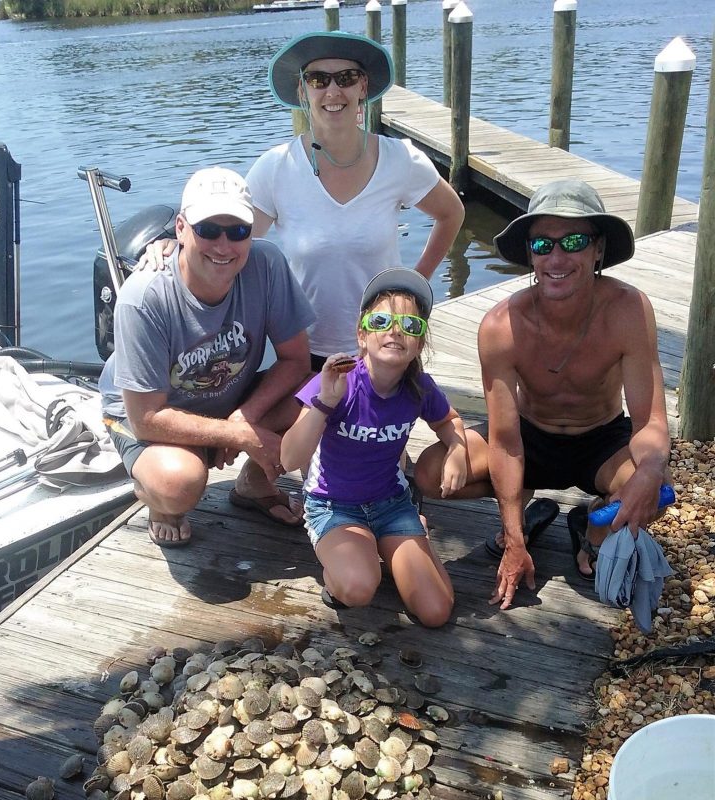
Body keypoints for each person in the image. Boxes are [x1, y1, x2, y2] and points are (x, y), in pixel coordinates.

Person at [413, 178, 671, 610]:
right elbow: (506, 439)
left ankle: (591, 528)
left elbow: (650, 423)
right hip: (531, 439)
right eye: (542, 244)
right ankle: (522, 518)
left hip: (602, 439)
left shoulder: (629, 309)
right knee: (430, 472)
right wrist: (513, 540)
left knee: (654, 489)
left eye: (573, 241)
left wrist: (651, 466)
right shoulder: (501, 327)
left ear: (598, 248)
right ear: (529, 253)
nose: (556, 257)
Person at [141, 32, 465, 371]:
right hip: (306, 352)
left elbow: (451, 213)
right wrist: (175, 244)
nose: (333, 91)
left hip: (386, 345)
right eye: (318, 79)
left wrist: (412, 287)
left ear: (363, 87)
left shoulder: (400, 159)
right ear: (302, 90)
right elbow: (231, 241)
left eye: (346, 78)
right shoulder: (275, 168)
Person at [99, 166, 314, 548]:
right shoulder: (142, 299)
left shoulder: (268, 265)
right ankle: (154, 498)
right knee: (179, 483)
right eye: (208, 230)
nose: (223, 245)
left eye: (238, 231)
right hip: (148, 412)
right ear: (180, 228)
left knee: (326, 404)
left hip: (229, 396)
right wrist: (236, 433)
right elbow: (146, 418)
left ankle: (254, 485)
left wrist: (241, 420)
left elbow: (296, 361)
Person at [280, 267, 468, 628]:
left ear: (419, 344)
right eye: (382, 320)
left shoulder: (420, 387)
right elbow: (289, 458)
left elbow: (450, 421)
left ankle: (416, 534)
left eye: (411, 326)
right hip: (333, 506)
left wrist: (457, 450)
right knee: (358, 588)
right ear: (362, 335)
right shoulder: (336, 380)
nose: (396, 330)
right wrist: (324, 402)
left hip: (391, 504)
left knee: (435, 612)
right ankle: (350, 564)